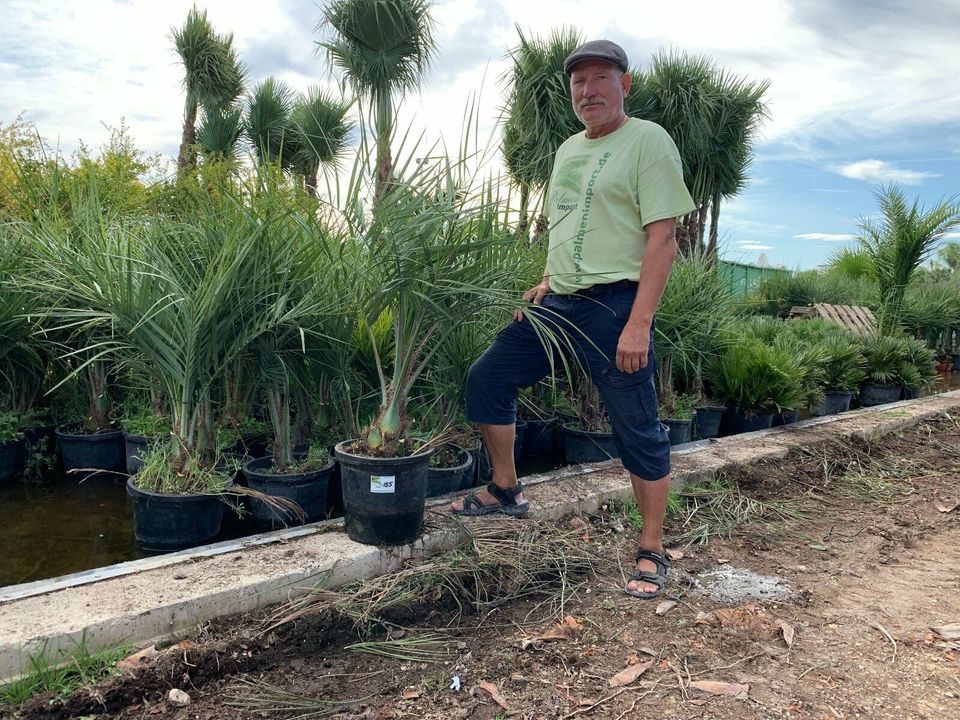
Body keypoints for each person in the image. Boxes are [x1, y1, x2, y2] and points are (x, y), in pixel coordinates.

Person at [451, 39, 695, 600]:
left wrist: (639, 324)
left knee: (636, 423)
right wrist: (546, 278)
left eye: (600, 78)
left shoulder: (648, 141)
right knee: (488, 378)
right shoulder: (566, 150)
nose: (589, 91)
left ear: (624, 84)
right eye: (579, 83)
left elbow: (663, 239)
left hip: (614, 307)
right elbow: (563, 224)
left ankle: (652, 545)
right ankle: (506, 488)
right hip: (557, 302)